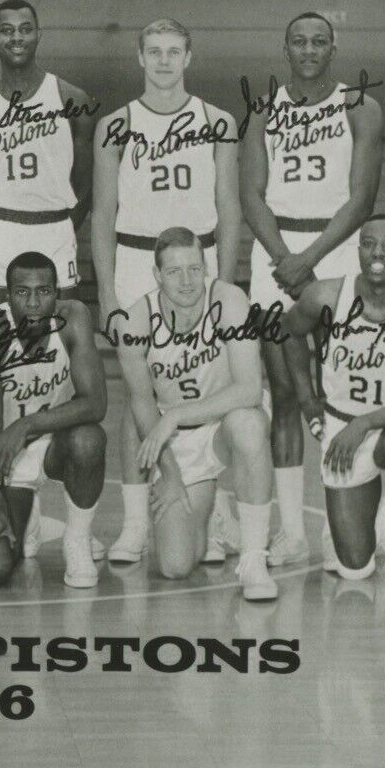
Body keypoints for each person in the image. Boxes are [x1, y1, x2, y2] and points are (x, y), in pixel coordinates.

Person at [91, 18, 242, 566]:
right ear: (139, 58)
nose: (162, 61)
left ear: (189, 56)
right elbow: (102, 213)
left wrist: (224, 281)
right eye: (153, 52)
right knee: (142, 398)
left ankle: (217, 510)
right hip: (135, 260)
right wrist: (108, 294)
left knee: (213, 381)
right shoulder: (114, 125)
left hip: (196, 265)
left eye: (173, 51)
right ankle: (135, 524)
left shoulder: (218, 122)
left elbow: (229, 207)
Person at [239, 11, 385, 566]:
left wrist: (310, 260)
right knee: (282, 394)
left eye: (319, 41)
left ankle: (343, 524)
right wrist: (284, 259)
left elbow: (362, 197)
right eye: (298, 40)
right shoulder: (261, 109)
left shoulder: (360, 107)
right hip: (275, 255)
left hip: (335, 251)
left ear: (334, 46)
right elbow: (251, 192)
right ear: (285, 47)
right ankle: (293, 531)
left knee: (339, 389)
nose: (308, 49)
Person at [0, 0, 98, 563]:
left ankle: (38, 502)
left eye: (26, 28)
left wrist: (55, 228)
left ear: (39, 32)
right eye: (6, 30)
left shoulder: (72, 100)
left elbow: (82, 182)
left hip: (53, 236)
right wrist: (8, 220)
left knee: (53, 377)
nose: (17, 37)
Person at [280, 214, 385, 613]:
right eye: (369, 243)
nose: (378, 252)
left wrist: (366, 423)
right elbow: (288, 332)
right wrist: (308, 399)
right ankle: (382, 520)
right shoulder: (325, 297)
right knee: (354, 567)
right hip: (342, 429)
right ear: (358, 250)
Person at [112, 228, 277, 598]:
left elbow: (250, 388)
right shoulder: (135, 321)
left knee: (249, 423)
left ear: (206, 266)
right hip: (179, 442)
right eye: (174, 272)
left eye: (193, 269)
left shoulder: (229, 300)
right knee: (175, 566)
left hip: (223, 424)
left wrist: (174, 415)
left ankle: (253, 560)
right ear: (157, 275)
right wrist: (168, 473)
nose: (187, 281)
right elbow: (140, 403)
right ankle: (212, 512)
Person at [0, 252, 108, 589]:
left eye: (43, 292)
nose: (32, 303)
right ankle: (23, 514)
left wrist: (27, 425)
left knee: (89, 439)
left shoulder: (74, 318)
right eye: (22, 292)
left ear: (58, 294)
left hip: (54, 445)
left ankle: (77, 539)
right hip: (3, 456)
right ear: (7, 295)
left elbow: (96, 404)